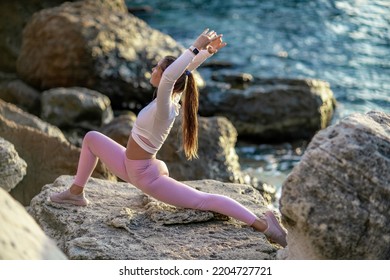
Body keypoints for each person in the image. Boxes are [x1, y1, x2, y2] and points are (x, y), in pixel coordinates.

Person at [50, 29, 287, 248]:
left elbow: (172, 76)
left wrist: (194, 47)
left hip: (145, 177)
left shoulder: (165, 105)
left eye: (157, 68)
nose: (153, 70)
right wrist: (205, 53)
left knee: (205, 201)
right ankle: (76, 193)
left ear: (166, 78)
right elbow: (184, 72)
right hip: (128, 165)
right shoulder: (169, 98)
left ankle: (265, 227)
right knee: (91, 138)